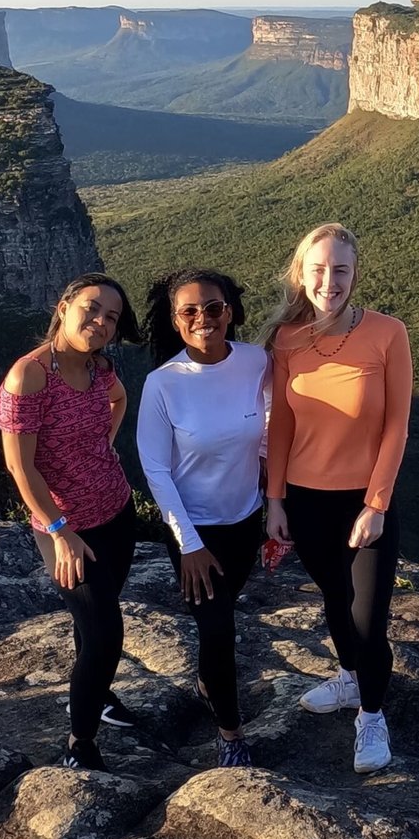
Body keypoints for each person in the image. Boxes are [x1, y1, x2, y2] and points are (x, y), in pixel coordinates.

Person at [263, 224, 412, 774]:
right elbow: (280, 425)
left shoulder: (388, 333)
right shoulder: (286, 339)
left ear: (355, 274)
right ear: (301, 275)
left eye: (341, 270)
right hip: (305, 498)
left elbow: (397, 425)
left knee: (368, 617)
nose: (330, 282)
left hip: (363, 500)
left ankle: (371, 715)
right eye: (319, 270)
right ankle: (349, 678)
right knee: (333, 597)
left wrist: (377, 504)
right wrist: (275, 501)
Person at [0, 272, 141, 771]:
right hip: (67, 528)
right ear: (63, 307)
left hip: (117, 511)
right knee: (106, 634)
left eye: (111, 317)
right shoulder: (30, 375)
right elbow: (20, 467)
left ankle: (99, 695)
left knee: (94, 621)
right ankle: (80, 743)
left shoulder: (99, 369)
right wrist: (60, 531)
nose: (100, 322)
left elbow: (119, 400)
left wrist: (102, 444)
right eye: (91, 309)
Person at [136, 269, 267, 769]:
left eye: (213, 307)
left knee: (223, 616)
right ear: (175, 320)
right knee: (218, 630)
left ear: (229, 311)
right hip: (194, 530)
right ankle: (230, 734)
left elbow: (272, 422)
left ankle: (208, 682)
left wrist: (274, 500)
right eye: (189, 311)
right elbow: (155, 469)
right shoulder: (163, 384)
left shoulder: (256, 361)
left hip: (246, 520)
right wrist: (189, 544)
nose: (203, 318)